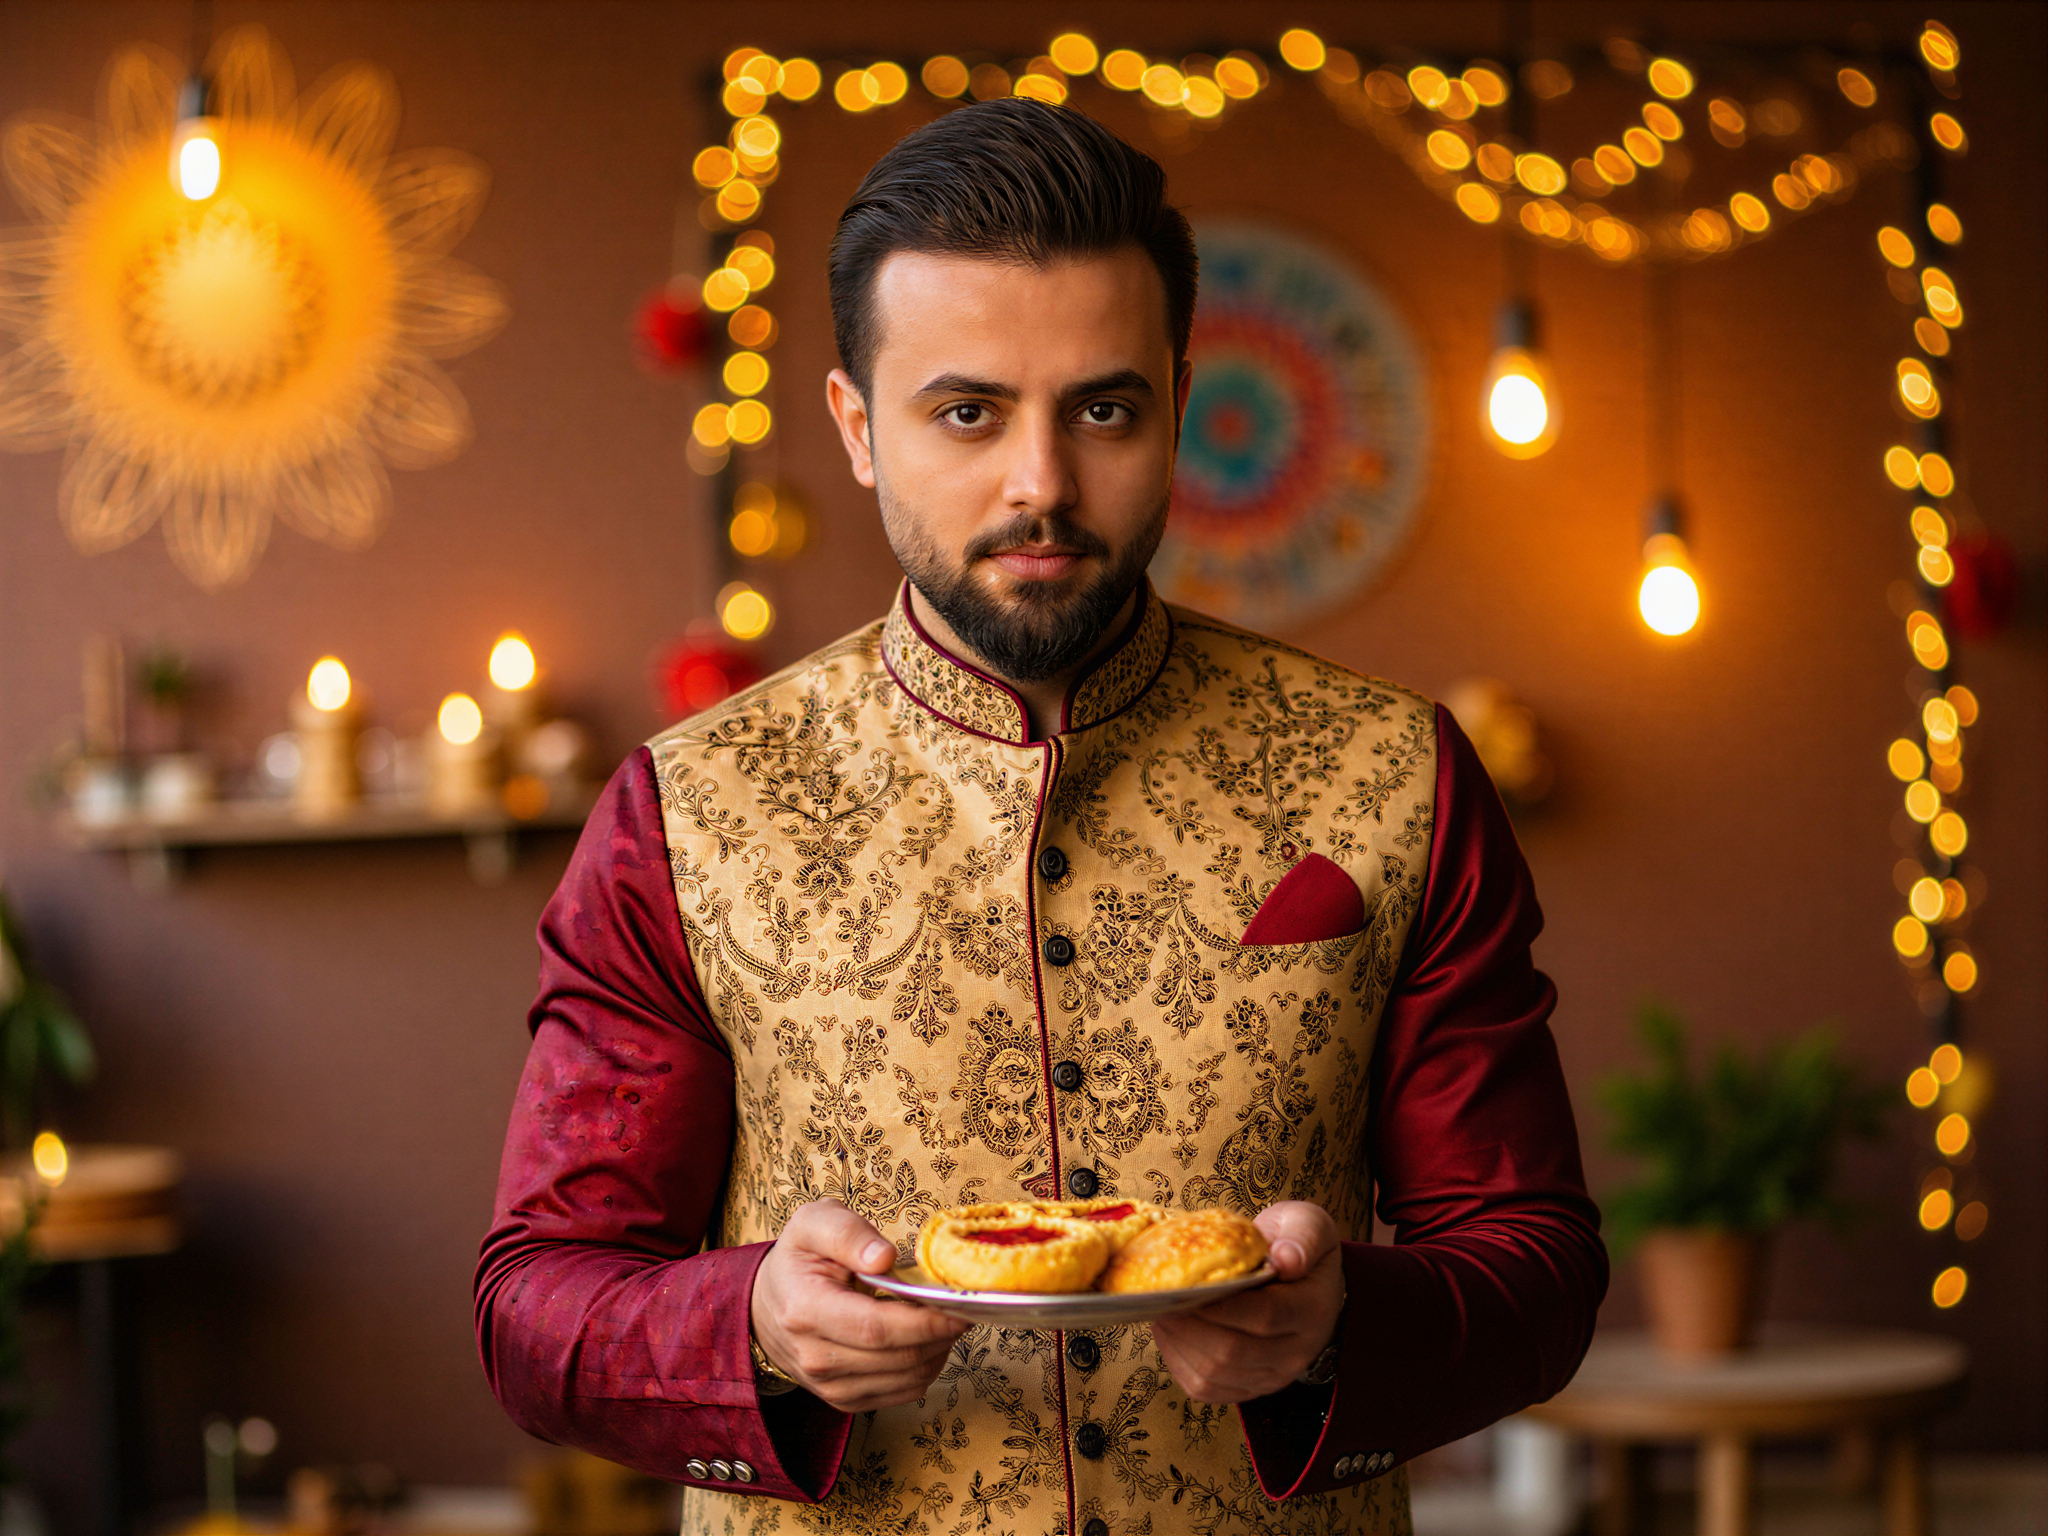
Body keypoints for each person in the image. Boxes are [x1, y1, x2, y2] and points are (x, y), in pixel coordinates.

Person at [477, 99, 1604, 1536]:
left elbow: (1537, 1263)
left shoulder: (1399, 777)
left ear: (1184, 404)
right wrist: (753, 1324)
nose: (1042, 485)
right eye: (966, 411)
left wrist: (1342, 1327)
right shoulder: (682, 815)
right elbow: (535, 1306)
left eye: (1105, 408)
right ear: (856, 427)